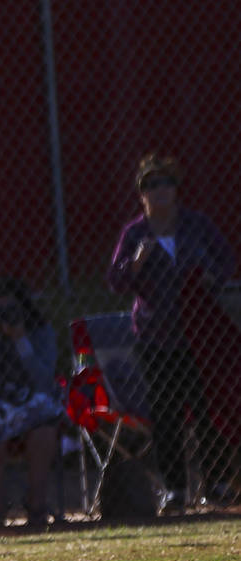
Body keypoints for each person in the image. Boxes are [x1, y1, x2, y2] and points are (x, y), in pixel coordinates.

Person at [107, 153, 237, 511]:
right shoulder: (135, 234)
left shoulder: (195, 225)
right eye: (151, 184)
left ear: (176, 190)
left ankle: (216, 483)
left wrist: (211, 274)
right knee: (166, 412)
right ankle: (175, 489)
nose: (159, 190)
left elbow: (227, 260)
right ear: (141, 195)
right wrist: (135, 263)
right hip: (155, 337)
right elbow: (116, 281)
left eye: (166, 183)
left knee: (208, 407)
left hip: (198, 334)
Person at [0, 277, 64, 528]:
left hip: (31, 407)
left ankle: (36, 507)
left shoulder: (40, 332)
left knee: (44, 427)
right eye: (1, 311)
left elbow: (44, 381)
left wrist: (21, 340)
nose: (6, 316)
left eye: (11, 310)